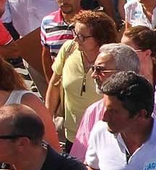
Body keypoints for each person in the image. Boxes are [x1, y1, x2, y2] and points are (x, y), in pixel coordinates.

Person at [46, 9, 116, 145]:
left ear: (99, 38)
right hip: (72, 136)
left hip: (103, 137)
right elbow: (54, 85)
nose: (75, 39)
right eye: (75, 33)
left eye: (82, 36)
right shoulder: (68, 49)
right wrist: (47, 119)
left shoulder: (114, 59)